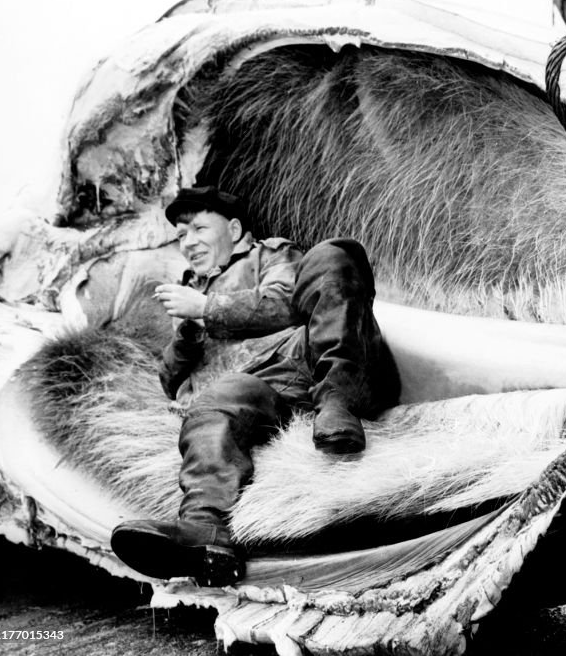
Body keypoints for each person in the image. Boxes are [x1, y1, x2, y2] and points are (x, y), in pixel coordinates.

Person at [110, 186, 400, 586]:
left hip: (316, 360)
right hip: (263, 389)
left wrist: (207, 309)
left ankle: (338, 401)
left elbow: (287, 304)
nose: (189, 242)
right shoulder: (191, 285)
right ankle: (204, 529)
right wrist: (187, 337)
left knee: (334, 253)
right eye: (181, 235)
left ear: (232, 227)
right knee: (219, 401)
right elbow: (168, 378)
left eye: (198, 228)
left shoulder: (269, 255)